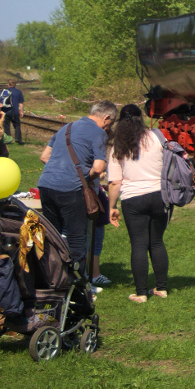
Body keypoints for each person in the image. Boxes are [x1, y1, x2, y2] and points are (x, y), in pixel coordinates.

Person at [38, 100, 116, 274]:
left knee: (53, 237)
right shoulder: (98, 133)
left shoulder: (66, 127)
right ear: (107, 117)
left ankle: (51, 278)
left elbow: (44, 157)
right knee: (76, 241)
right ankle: (76, 287)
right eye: (110, 123)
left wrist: (62, 169)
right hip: (71, 190)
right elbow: (98, 167)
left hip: (46, 186)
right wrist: (81, 175)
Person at [107, 104, 170, 303]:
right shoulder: (157, 137)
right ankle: (161, 288)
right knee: (157, 241)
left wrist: (112, 206)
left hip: (133, 198)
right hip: (160, 195)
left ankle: (141, 293)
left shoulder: (118, 145)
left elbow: (115, 182)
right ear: (140, 118)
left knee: (139, 245)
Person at [0, 79, 24, 145]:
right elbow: (21, 102)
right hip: (15, 111)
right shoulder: (18, 92)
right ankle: (18, 139)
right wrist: (21, 111)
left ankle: (8, 139)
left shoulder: (4, 91)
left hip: (6, 111)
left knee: (7, 125)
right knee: (17, 125)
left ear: (8, 84)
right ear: (15, 85)